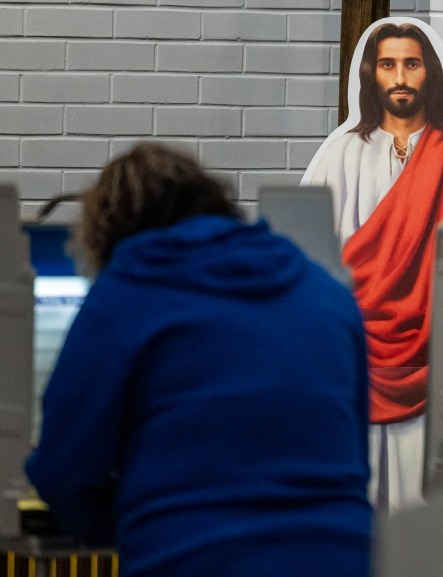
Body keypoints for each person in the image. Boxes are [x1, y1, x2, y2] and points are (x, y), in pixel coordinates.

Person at [25, 143, 372, 577]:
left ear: (108, 234)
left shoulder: (127, 295)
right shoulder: (329, 296)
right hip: (344, 559)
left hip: (193, 560)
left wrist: (144, 522)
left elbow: (62, 474)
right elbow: (356, 463)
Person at [302, 17, 443, 510]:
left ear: (431, 73)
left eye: (411, 64)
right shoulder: (340, 154)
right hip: (360, 353)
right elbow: (310, 258)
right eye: (388, 64)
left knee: (434, 503)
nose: (400, 76)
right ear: (372, 75)